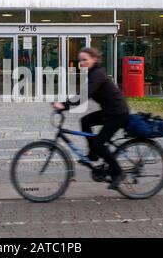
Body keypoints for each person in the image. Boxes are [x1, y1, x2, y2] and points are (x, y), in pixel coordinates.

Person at [53, 48, 130, 189]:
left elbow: (84, 95)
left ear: (94, 59)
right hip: (109, 111)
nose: (81, 63)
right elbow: (82, 92)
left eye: (85, 59)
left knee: (99, 143)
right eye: (80, 60)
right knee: (85, 121)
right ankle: (93, 154)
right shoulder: (92, 73)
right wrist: (65, 103)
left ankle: (118, 173)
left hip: (118, 113)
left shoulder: (97, 74)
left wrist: (64, 105)